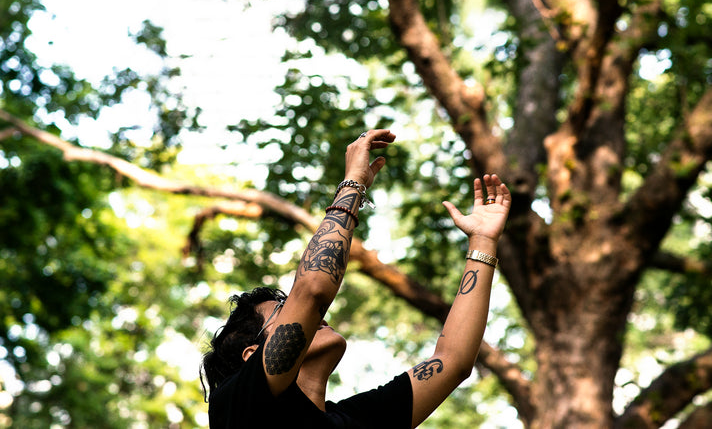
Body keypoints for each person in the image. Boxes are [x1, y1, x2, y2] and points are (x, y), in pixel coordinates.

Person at [201, 129, 512, 428]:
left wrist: (482, 241)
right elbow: (311, 291)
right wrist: (353, 183)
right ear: (254, 356)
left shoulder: (358, 421)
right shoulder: (238, 408)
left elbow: (453, 361)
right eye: (283, 309)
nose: (311, 316)